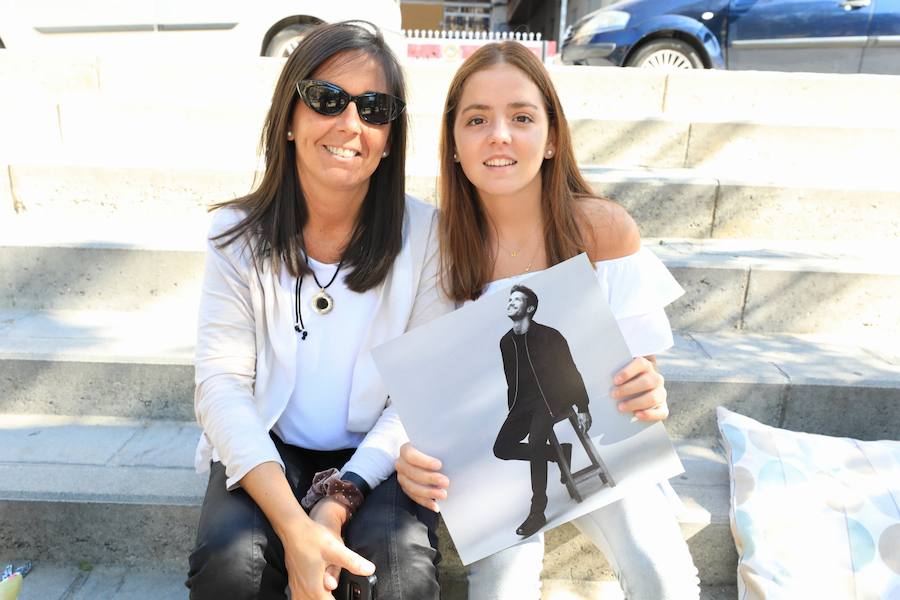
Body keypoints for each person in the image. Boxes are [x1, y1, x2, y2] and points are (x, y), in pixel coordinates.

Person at [396, 41, 701, 599]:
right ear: (455, 144)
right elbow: (423, 385)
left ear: (552, 136)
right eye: (477, 119)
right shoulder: (435, 249)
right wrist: (409, 449)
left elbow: (638, 370)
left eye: (522, 117)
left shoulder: (602, 231)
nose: (499, 135)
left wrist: (647, 390)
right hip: (491, 454)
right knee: (502, 583)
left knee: (662, 572)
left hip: (597, 433)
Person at [186, 22, 449, 600]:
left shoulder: (428, 234)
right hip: (268, 444)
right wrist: (293, 525)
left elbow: (419, 393)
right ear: (289, 117)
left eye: (373, 108)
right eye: (327, 99)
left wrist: (339, 497)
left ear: (389, 137)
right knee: (232, 571)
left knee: (398, 577)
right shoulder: (236, 235)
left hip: (377, 453)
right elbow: (222, 386)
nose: (349, 124)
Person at [494, 284, 593, 537]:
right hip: (523, 405)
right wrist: (513, 412)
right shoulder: (506, 342)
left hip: (552, 399)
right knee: (501, 448)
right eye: (510, 298)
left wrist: (582, 407)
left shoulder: (551, 336)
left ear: (530, 308)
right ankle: (559, 454)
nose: (512, 302)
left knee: (536, 439)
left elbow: (571, 371)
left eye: (518, 299)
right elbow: (511, 381)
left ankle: (538, 510)